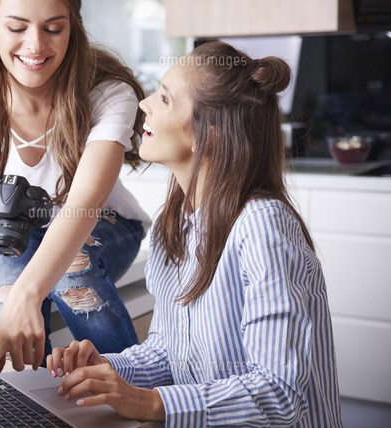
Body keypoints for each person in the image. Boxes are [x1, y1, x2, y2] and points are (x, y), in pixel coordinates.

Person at [46, 41, 343, 427]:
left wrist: (154, 404)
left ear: (209, 136)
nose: (144, 104)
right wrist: (106, 368)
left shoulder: (262, 226)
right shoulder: (175, 223)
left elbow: (279, 393)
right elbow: (170, 352)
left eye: (165, 99)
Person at [0, 0, 151, 377]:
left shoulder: (107, 93)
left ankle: (129, 388)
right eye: (17, 28)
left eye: (53, 29)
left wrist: (30, 291)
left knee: (73, 269)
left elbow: (83, 208)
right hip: (17, 230)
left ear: (73, 27)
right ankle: (31, 405)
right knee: (5, 301)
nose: (36, 45)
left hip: (103, 223)